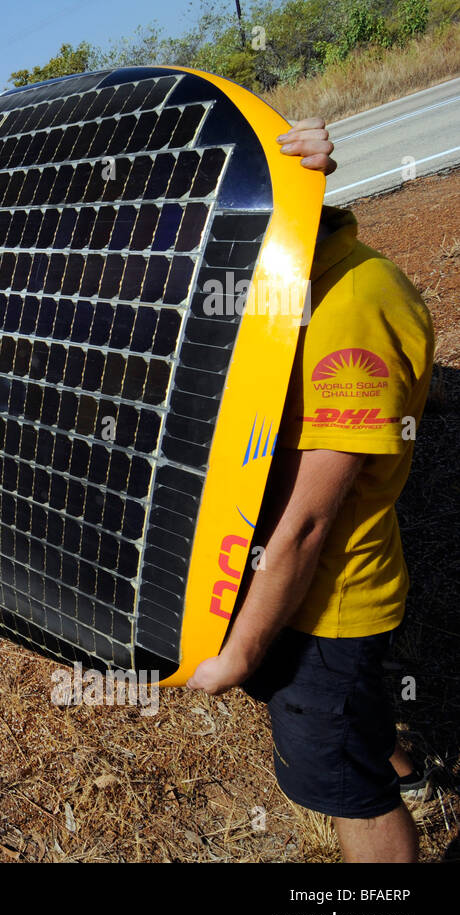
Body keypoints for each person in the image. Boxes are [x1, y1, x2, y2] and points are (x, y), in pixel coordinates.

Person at [188, 119, 435, 863]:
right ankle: (397, 761)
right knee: (351, 725)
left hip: (327, 603)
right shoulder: (280, 287)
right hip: (285, 581)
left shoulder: (350, 307)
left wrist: (238, 655)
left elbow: (306, 521)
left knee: (335, 779)